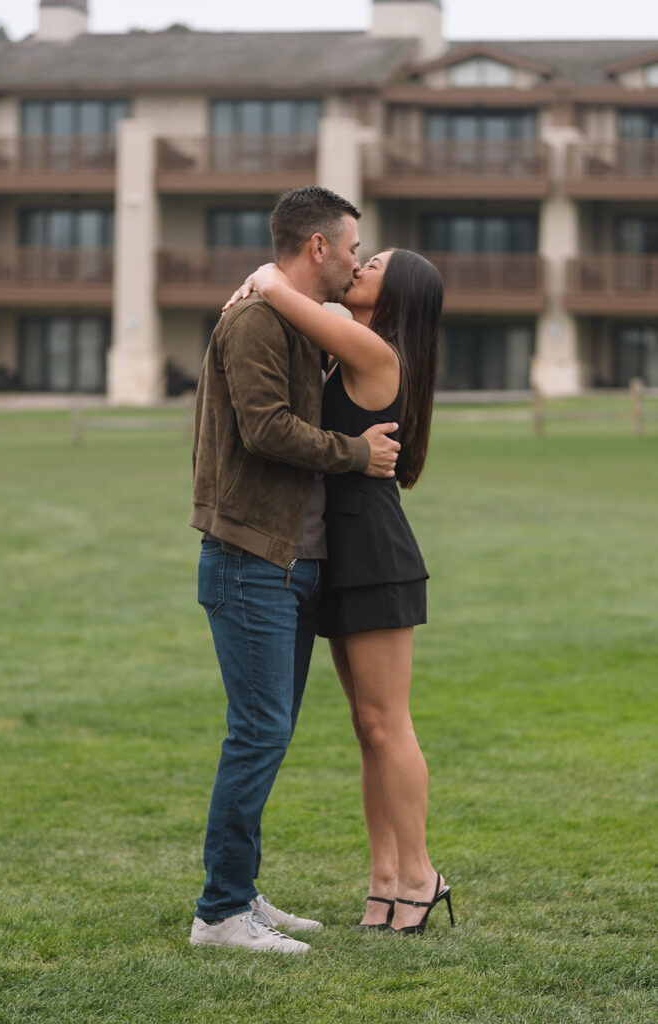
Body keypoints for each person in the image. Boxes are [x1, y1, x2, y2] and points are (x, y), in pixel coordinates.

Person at [188, 186, 401, 954]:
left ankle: (239, 893)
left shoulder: (293, 317)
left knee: (265, 736)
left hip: (292, 563)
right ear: (317, 246)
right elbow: (266, 428)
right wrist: (357, 454)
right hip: (251, 560)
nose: (354, 258)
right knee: (256, 735)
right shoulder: (253, 321)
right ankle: (219, 914)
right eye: (350, 246)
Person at [223, 246, 455, 936]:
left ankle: (418, 874)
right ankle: (384, 880)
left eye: (375, 264)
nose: (359, 266)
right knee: (366, 730)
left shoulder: (374, 352)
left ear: (397, 297)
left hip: (374, 554)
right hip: (339, 552)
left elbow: (288, 296)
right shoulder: (348, 342)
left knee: (388, 723)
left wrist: (266, 275)